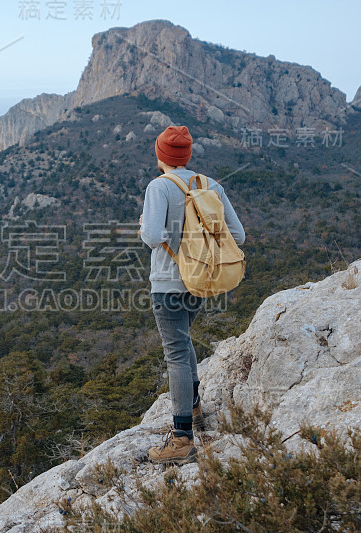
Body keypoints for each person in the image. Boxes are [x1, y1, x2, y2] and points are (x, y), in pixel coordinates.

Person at [139, 125, 245, 464]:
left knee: (175, 355)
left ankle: (182, 437)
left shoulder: (160, 187)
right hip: (200, 282)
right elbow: (238, 235)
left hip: (168, 284)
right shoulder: (210, 185)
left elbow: (153, 236)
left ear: (161, 156)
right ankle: (195, 407)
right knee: (184, 343)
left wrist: (145, 223)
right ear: (187, 155)